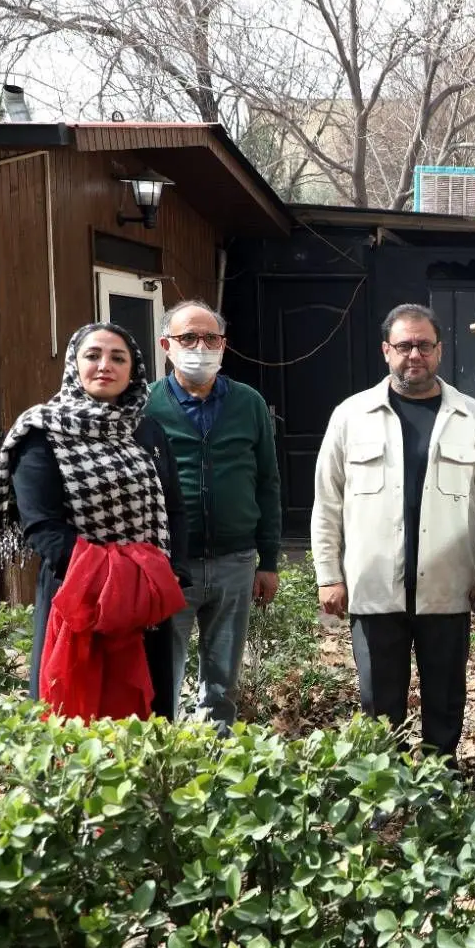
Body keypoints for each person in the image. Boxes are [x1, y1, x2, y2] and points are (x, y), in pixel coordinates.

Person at [311, 303, 475, 767]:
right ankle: (388, 785)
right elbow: (327, 502)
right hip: (373, 586)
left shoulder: (473, 418)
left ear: (440, 350)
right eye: (404, 345)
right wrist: (329, 575)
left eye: (424, 345)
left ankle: (440, 780)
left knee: (446, 696)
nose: (414, 355)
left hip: (448, 587)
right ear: (386, 351)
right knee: (379, 702)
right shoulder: (351, 416)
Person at [0, 322, 188, 716]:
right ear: (73, 364)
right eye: (93, 355)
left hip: (145, 600)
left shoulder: (146, 430)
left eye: (118, 358)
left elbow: (174, 507)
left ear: (133, 370)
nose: (105, 365)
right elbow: (42, 526)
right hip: (77, 592)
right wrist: (112, 582)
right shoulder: (42, 430)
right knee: (74, 714)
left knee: (147, 715)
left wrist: (169, 573)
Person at [145, 300, 281, 730]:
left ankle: (217, 754)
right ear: (166, 345)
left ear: (223, 345)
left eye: (210, 338)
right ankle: (161, 752)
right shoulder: (145, 406)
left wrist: (269, 560)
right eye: (188, 338)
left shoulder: (249, 403)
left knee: (222, 681)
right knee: (161, 674)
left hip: (234, 562)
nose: (200, 347)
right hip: (170, 564)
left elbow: (267, 482)